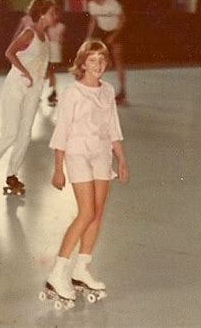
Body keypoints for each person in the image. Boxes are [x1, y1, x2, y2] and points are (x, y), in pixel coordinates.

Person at [39, 40, 129, 309]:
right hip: (77, 154)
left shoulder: (108, 90)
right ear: (82, 64)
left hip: (101, 154)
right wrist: (58, 168)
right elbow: (62, 131)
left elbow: (113, 127)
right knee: (86, 212)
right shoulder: (72, 93)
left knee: (98, 211)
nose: (98, 65)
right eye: (92, 60)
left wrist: (121, 159)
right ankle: (57, 272)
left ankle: (81, 268)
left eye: (102, 60)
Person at [0, 0, 55, 196]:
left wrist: (39, 80)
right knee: (10, 132)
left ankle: (12, 174)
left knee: (25, 134)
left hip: (33, 90)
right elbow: (9, 53)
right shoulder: (29, 34)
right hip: (17, 85)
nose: (55, 16)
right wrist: (25, 72)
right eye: (52, 12)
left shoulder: (46, 37)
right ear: (42, 14)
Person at [85, 0, 127, 103]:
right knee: (98, 60)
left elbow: (123, 19)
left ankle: (123, 91)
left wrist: (114, 36)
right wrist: (88, 37)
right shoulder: (92, 5)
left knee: (118, 59)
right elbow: (93, 21)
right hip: (102, 31)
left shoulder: (112, 4)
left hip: (115, 31)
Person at [46, 6, 66, 106]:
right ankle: (51, 90)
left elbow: (60, 39)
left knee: (51, 70)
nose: (54, 16)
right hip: (47, 48)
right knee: (47, 71)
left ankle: (53, 91)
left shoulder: (61, 26)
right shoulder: (47, 26)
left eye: (55, 14)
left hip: (55, 49)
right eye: (52, 14)